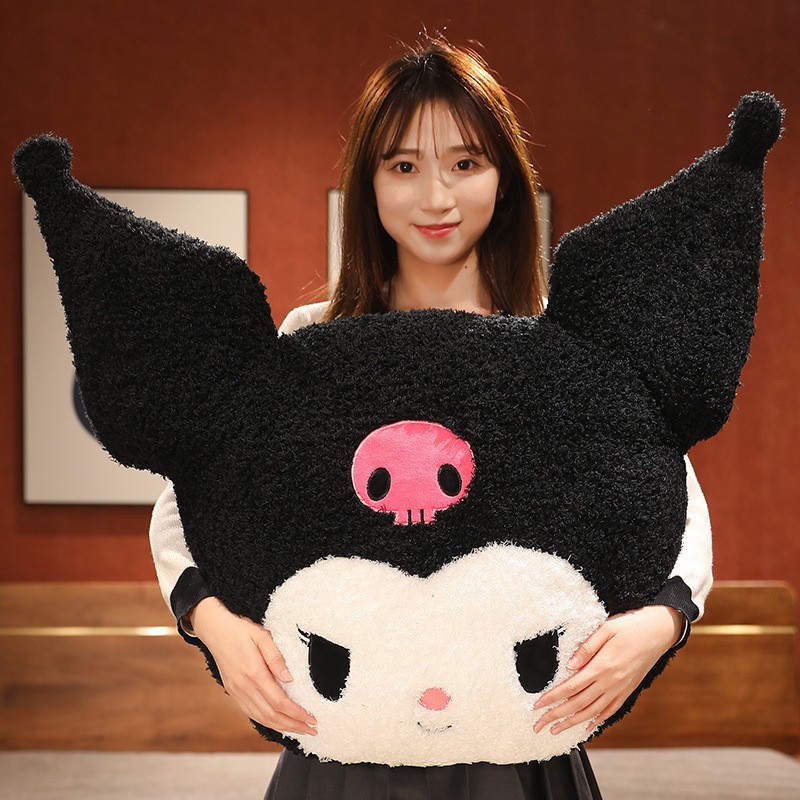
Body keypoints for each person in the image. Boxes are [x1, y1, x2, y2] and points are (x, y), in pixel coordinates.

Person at [149, 37, 712, 800]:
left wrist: (661, 621)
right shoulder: (314, 342)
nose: (437, 198)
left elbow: (671, 495)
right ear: (369, 185)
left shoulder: (558, 346)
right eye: (405, 166)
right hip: (346, 746)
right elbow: (188, 501)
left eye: (465, 163)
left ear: (504, 181)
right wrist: (213, 622)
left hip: (519, 745)